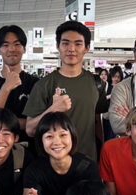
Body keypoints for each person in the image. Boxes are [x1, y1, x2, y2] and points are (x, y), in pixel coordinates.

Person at [23, 21, 108, 161]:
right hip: (53, 167)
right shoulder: (44, 85)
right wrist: (53, 109)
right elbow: (30, 130)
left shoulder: (96, 83)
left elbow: (97, 122)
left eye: (78, 44)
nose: (71, 49)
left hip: (87, 164)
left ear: (87, 48)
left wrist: (101, 156)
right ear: (58, 46)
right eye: (65, 43)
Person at [19, 112, 101, 195]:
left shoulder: (88, 167)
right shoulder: (35, 169)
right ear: (41, 141)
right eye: (49, 137)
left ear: (72, 137)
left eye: (63, 135)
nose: (57, 142)